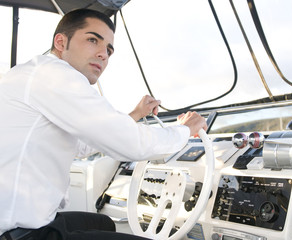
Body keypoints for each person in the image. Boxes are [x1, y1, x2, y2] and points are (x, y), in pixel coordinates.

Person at [0, 8, 207, 240]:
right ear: (61, 41)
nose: (103, 54)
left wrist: (136, 114)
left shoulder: (33, 74)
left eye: (109, 49)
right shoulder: (54, 76)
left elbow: (82, 146)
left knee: (104, 223)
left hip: (30, 220)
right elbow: (132, 144)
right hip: (20, 233)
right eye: (92, 40)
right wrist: (185, 130)